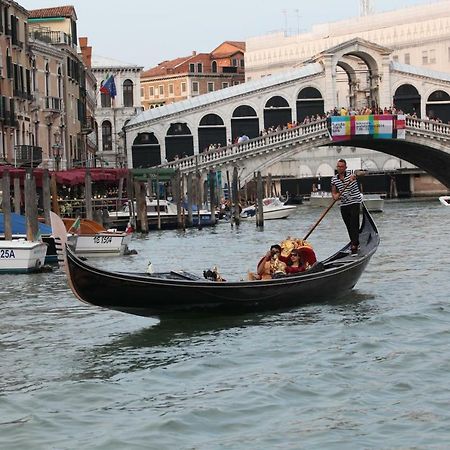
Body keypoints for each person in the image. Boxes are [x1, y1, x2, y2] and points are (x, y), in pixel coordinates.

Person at [331, 159, 363, 254]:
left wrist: (356, 175)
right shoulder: (334, 179)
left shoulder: (351, 173)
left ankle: (354, 245)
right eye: (338, 166)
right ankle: (355, 242)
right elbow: (334, 193)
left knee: (354, 223)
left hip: (355, 201)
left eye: (341, 166)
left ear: (345, 167)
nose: (340, 168)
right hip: (344, 204)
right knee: (348, 225)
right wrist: (336, 196)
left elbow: (363, 173)